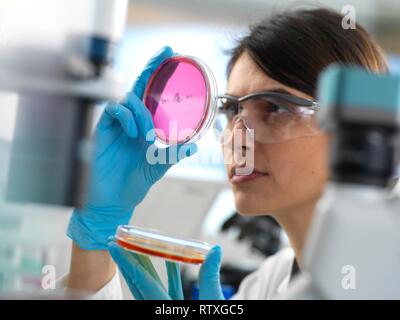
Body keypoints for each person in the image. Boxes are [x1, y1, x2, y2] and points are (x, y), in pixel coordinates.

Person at [63, 8, 388, 299]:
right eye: (232, 110)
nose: (237, 139)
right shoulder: (268, 284)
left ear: (353, 123)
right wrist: (95, 237)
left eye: (275, 107)